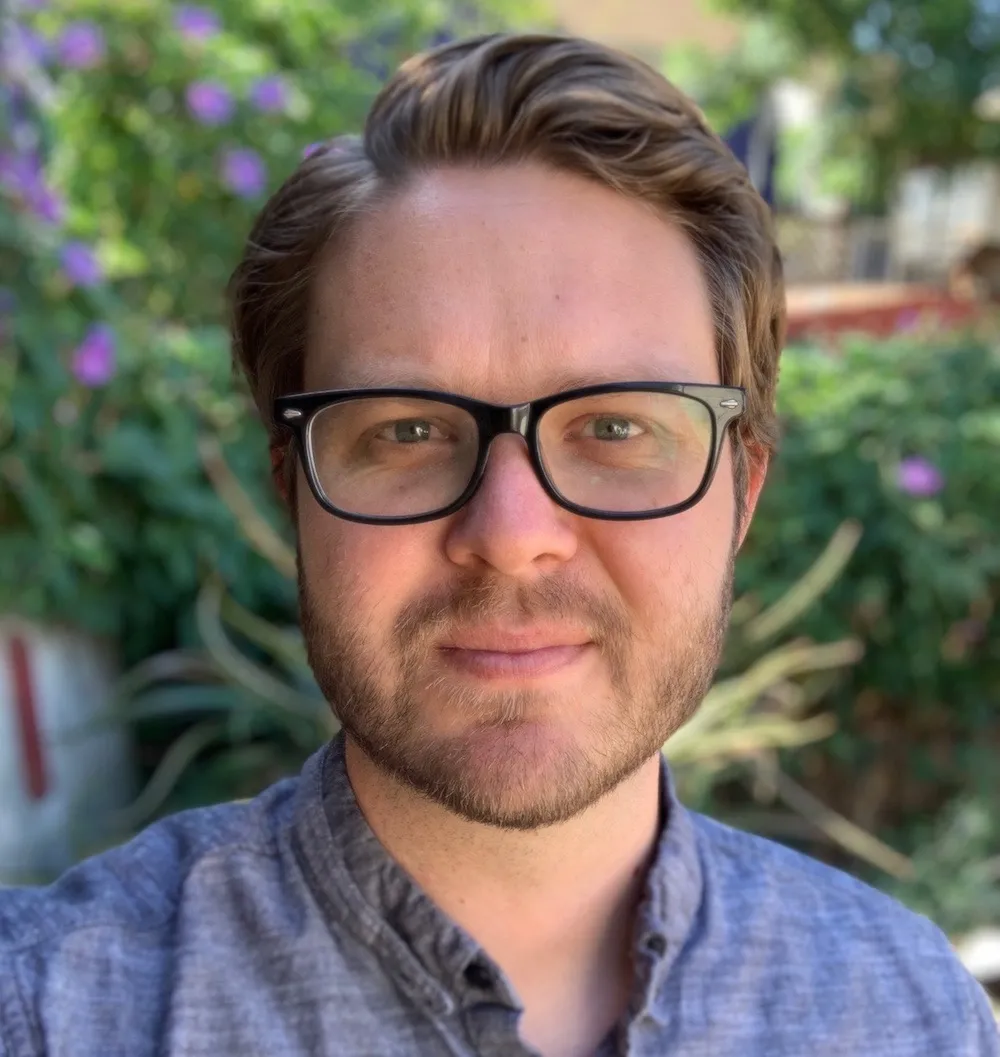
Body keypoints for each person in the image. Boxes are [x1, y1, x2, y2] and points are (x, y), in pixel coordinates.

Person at [1, 32, 996, 1057]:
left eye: (616, 426)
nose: (512, 536)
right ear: (293, 489)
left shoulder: (910, 1018)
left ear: (740, 490)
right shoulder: (46, 1014)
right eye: (406, 431)